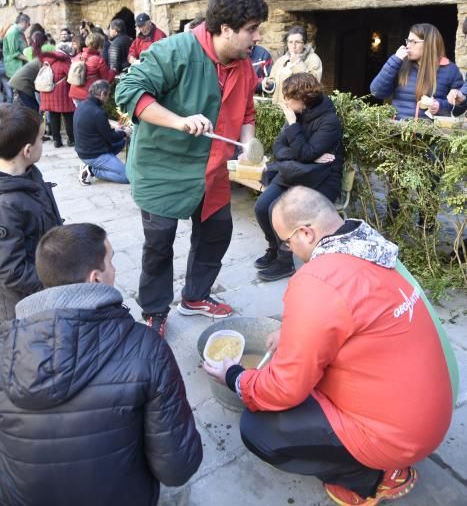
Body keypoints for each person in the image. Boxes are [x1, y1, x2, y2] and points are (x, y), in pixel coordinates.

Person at [205, 186, 458, 506]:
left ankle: (372, 477)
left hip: (397, 438)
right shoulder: (370, 246)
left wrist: (235, 377)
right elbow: (352, 314)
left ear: (306, 233)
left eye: (287, 242)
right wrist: (292, 331)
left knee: (259, 429)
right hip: (429, 413)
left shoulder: (319, 280)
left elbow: (284, 388)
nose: (291, 251)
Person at [0, 223, 202, 506]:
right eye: (111, 260)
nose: (115, 269)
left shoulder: (4, 346)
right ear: (95, 278)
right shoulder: (146, 347)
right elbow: (177, 467)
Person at [116, 0, 267, 335]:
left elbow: (246, 111)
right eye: (252, 29)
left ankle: (196, 296)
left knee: (217, 232)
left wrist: (248, 144)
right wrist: (179, 121)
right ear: (226, 29)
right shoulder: (173, 50)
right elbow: (128, 93)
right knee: (159, 242)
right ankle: (154, 310)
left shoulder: (243, 65)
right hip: (162, 168)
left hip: (212, 170)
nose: (257, 38)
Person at [254, 72, 343, 281]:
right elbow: (278, 148)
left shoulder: (329, 121)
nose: (285, 102)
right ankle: (274, 248)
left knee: (279, 209)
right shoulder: (297, 114)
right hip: (297, 172)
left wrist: (295, 129)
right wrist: (308, 156)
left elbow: (305, 152)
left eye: (289, 98)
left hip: (321, 178)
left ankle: (285, 262)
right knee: (262, 206)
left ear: (304, 99)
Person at [0, 103, 62, 321]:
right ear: (27, 151)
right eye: (41, 139)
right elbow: (12, 271)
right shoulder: (5, 205)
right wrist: (53, 284)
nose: (41, 145)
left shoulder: (28, 173)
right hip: (25, 304)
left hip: (45, 273)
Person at [370, 23, 464, 119]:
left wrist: (439, 106)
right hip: (398, 131)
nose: (408, 46)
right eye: (408, 41)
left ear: (428, 44)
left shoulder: (450, 70)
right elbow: (377, 92)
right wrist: (394, 61)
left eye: (413, 42)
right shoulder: (400, 64)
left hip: (432, 133)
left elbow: (460, 107)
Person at [74, 79, 130, 185]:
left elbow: (98, 129)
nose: (108, 98)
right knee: (126, 177)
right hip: (94, 155)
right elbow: (111, 137)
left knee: (121, 141)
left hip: (84, 150)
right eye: (108, 95)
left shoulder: (82, 105)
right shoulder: (98, 112)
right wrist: (125, 132)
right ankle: (92, 170)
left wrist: (117, 130)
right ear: (102, 94)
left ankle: (95, 165)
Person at [262, 26, 322, 110]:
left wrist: (297, 63)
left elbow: (313, 85)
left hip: (302, 110)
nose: (293, 46)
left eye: (297, 42)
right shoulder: (281, 60)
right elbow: (274, 80)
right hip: (279, 108)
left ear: (304, 44)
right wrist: (269, 84)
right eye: (290, 42)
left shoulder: (313, 59)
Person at [38, 42, 75, 148]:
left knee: (54, 117)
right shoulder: (65, 62)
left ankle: (57, 141)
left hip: (48, 93)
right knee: (68, 117)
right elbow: (72, 78)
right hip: (62, 94)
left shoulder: (47, 60)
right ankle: (71, 140)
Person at [68, 30, 116, 106]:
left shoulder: (78, 56)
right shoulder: (98, 60)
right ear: (99, 45)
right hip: (88, 95)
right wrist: (113, 71)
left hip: (74, 93)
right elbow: (106, 79)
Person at [9, 31, 51, 111]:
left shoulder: (40, 55)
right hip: (22, 83)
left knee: (27, 108)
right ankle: (31, 123)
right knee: (33, 109)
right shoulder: (43, 58)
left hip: (19, 81)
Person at [2, 13, 30, 84]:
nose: (28, 27)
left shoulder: (19, 32)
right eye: (28, 24)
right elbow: (14, 53)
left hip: (20, 67)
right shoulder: (13, 32)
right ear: (24, 23)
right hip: (15, 67)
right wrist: (29, 58)